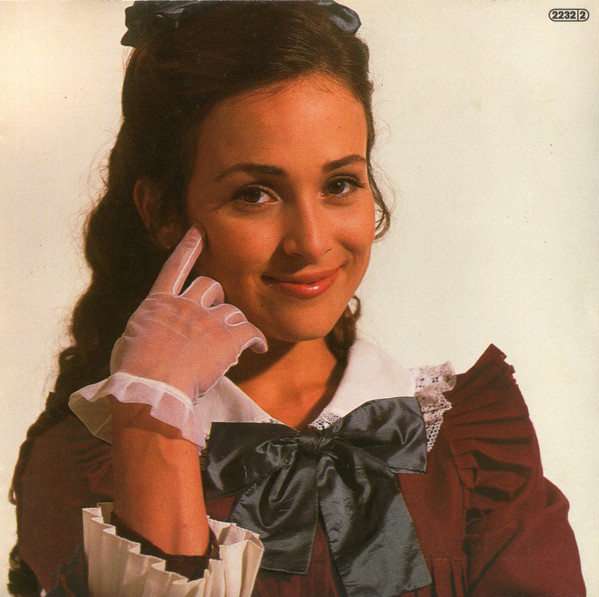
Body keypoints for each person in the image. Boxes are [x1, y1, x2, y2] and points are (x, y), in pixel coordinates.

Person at [9, 1, 586, 596]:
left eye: (340, 184)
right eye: (255, 194)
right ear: (161, 211)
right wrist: (155, 426)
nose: (310, 242)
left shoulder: (473, 441)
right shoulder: (86, 460)